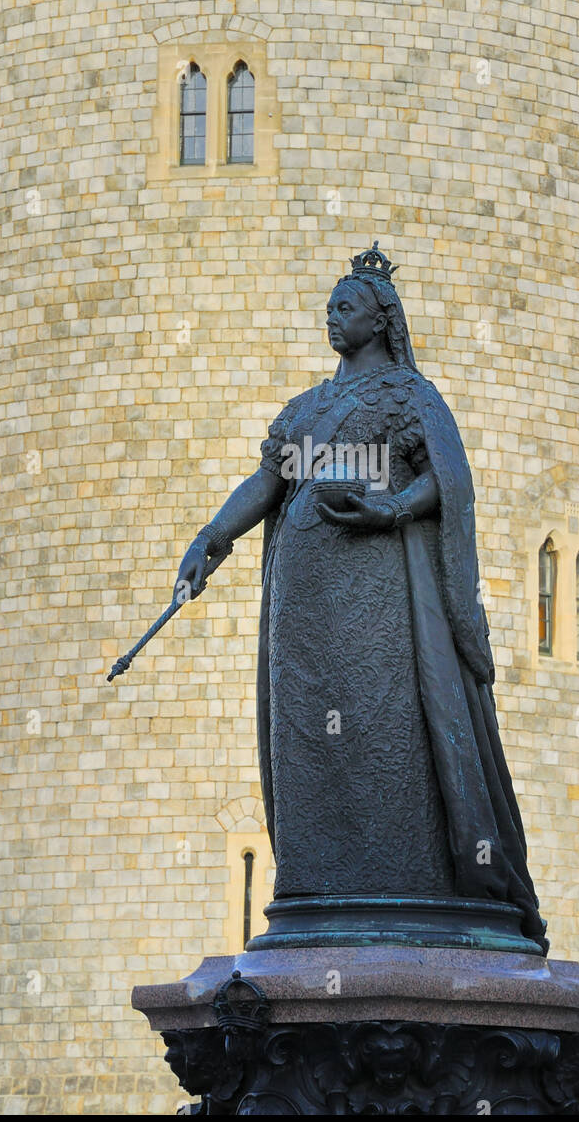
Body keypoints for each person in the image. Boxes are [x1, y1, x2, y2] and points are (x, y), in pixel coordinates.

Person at [176, 243, 547, 952]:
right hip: (303, 604)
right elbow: (268, 486)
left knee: (388, 724)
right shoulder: (307, 408)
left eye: (345, 308)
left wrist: (395, 508)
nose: (332, 318)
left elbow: (449, 478)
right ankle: (320, 881)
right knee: (309, 732)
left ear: (379, 321)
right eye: (329, 309)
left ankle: (408, 879)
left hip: (382, 600)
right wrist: (211, 537)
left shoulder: (410, 396)